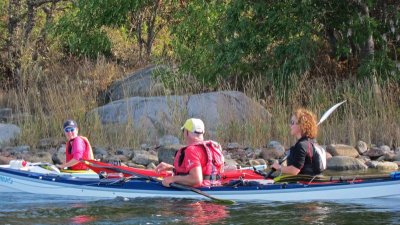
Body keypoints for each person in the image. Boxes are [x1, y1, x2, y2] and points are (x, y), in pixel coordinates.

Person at [155, 118, 224, 187]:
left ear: (187, 132)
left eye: (183, 131)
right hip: (216, 185)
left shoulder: (191, 150)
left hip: (202, 191)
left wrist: (172, 179)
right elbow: (204, 171)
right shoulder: (215, 147)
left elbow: (196, 180)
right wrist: (172, 168)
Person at [271, 108, 321, 176]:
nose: (290, 125)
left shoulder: (302, 145)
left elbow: (294, 171)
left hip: (306, 183)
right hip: (311, 181)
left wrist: (279, 167)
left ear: (301, 125)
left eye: (292, 122)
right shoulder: (312, 142)